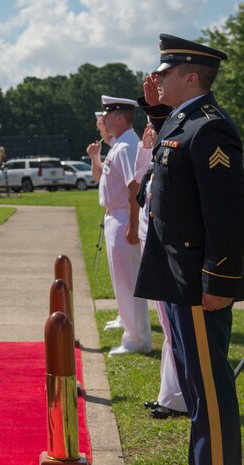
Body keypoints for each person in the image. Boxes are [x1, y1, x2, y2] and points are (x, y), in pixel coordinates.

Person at [135, 33, 243, 464]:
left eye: (165, 73)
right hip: (179, 278)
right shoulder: (186, 119)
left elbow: (227, 214)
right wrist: (157, 112)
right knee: (195, 385)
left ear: (192, 76)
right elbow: (168, 168)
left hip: (199, 283)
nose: (156, 79)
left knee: (210, 391)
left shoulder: (210, 127)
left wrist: (219, 281)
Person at [87, 95, 151, 356]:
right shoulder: (121, 144)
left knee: (129, 282)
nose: (104, 120)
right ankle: (131, 331)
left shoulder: (126, 146)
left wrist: (133, 226)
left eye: (108, 115)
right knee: (122, 281)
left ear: (120, 117)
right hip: (116, 217)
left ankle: (137, 339)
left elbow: (133, 186)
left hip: (124, 217)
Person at [134, 123, 187, 420]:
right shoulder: (158, 152)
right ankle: (170, 394)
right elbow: (141, 188)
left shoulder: (175, 149)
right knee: (167, 325)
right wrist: (146, 148)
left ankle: (177, 396)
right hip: (150, 239)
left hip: (164, 242)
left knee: (172, 326)